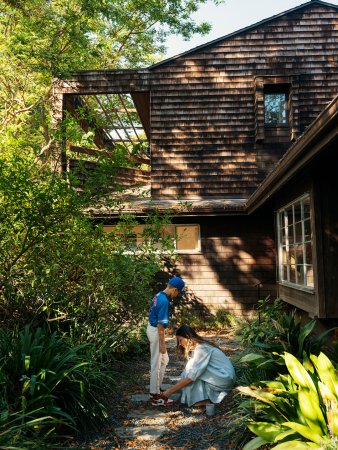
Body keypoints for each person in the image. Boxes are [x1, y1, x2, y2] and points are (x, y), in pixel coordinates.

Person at [156, 324, 236, 407]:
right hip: (223, 377)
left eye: (180, 340)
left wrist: (170, 391)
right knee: (191, 369)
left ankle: (201, 401)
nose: (179, 344)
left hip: (225, 378)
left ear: (188, 337)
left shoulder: (202, 349)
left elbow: (191, 377)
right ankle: (200, 399)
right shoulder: (200, 348)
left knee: (192, 371)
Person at [147, 276, 185, 406]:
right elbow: (160, 326)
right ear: (174, 289)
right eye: (178, 292)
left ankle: (157, 389)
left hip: (151, 329)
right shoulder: (164, 301)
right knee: (156, 364)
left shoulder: (158, 295)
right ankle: (155, 396)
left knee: (164, 360)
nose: (178, 295)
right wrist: (163, 345)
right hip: (156, 332)